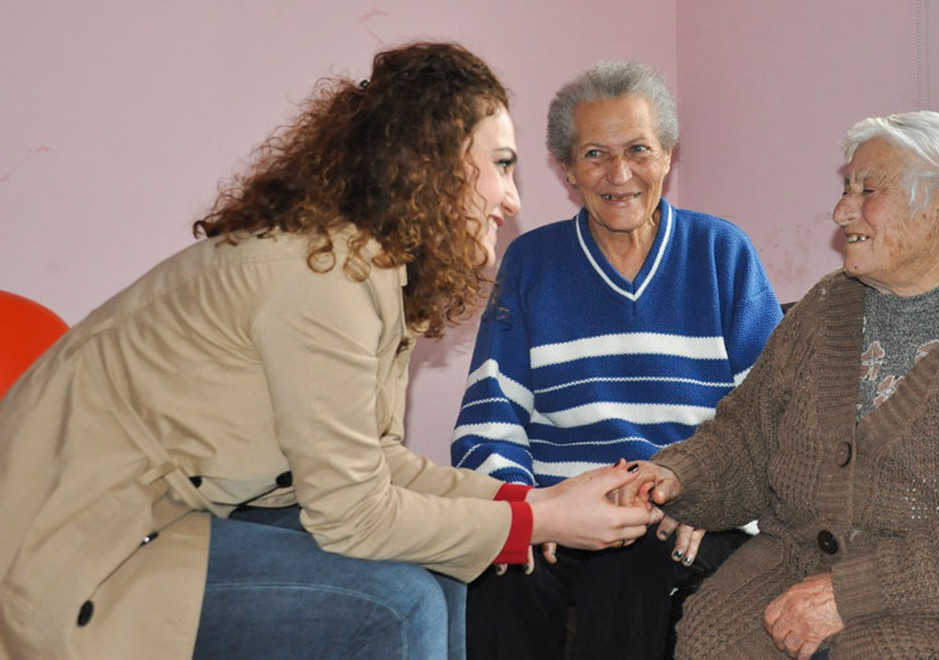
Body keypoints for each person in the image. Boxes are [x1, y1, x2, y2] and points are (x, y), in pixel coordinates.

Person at [0, 42, 663, 660]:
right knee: (394, 605)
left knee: (444, 565)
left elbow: (374, 462)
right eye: (501, 164)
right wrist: (538, 520)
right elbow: (354, 516)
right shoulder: (322, 279)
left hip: (167, 515)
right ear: (427, 164)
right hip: (76, 543)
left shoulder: (362, 265)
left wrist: (533, 503)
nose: (513, 198)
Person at [618, 110, 939, 659]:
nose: (841, 210)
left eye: (868, 190)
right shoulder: (830, 304)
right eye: (846, 188)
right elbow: (747, 437)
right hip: (794, 574)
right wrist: (674, 476)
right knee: (715, 633)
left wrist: (849, 594)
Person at [451, 59, 782, 659]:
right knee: (495, 586)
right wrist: (528, 514)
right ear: (567, 169)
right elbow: (488, 419)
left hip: (683, 513)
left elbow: (775, 416)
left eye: (638, 149)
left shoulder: (721, 253)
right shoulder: (531, 263)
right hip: (558, 511)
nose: (619, 173)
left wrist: (712, 500)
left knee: (627, 577)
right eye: (594, 154)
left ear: (668, 156)